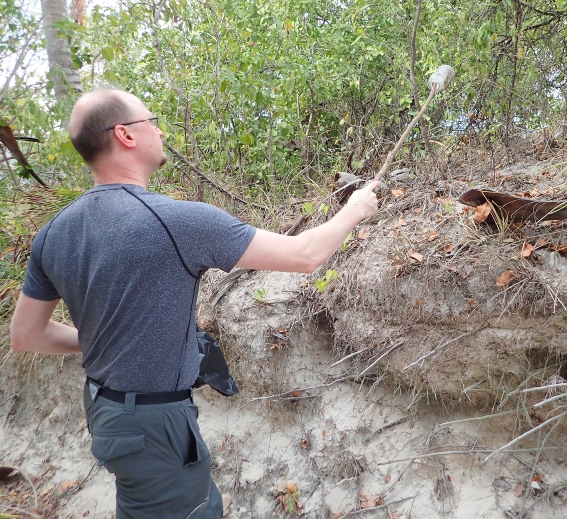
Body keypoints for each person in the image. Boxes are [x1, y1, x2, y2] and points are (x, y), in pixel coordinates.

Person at [10, 89, 379, 519]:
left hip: (107, 411)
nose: (161, 129)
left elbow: (27, 334)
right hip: (153, 423)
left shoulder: (56, 232)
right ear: (126, 135)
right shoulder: (177, 221)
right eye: (152, 120)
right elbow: (303, 256)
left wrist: (102, 344)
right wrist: (354, 210)